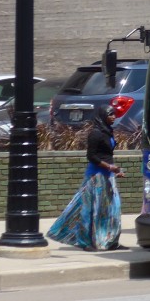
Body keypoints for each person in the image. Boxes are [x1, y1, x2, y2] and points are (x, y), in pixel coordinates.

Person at [47, 100, 125, 251]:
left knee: (112, 209)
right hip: (95, 177)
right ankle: (86, 242)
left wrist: (116, 171)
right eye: (110, 114)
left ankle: (111, 241)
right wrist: (110, 167)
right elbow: (91, 156)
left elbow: (107, 154)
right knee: (89, 210)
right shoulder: (95, 133)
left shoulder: (108, 131)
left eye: (114, 114)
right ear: (103, 116)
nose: (113, 117)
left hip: (108, 176)